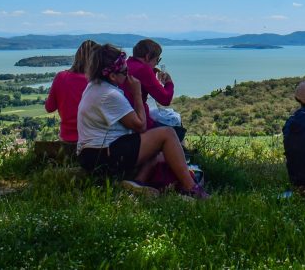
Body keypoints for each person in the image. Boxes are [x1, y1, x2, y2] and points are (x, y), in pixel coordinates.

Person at [76, 44, 208, 199]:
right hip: (104, 155)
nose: (128, 75)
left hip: (90, 154)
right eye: (125, 72)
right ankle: (191, 187)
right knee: (168, 133)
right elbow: (141, 126)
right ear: (112, 76)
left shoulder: (93, 86)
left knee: (159, 153)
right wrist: (137, 93)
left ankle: (137, 183)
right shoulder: (111, 94)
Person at [45, 39, 97, 144]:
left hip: (67, 138)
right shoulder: (96, 82)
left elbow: (49, 108)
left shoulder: (61, 77)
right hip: (93, 139)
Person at [123, 39, 176, 134]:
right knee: (178, 131)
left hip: (126, 118)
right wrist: (169, 82)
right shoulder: (143, 69)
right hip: (140, 121)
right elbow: (165, 99)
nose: (156, 63)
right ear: (147, 57)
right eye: (157, 60)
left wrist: (152, 73)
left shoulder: (127, 64)